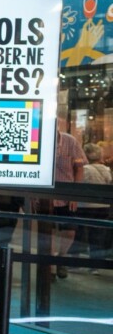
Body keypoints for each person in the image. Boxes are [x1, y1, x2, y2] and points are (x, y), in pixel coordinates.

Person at [51, 116, 86, 278]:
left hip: (66, 194)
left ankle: (61, 258)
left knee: (69, 231)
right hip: (47, 196)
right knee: (48, 231)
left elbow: (79, 168)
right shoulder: (40, 143)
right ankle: (49, 266)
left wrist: (74, 194)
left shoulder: (70, 142)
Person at [80, 143, 111, 272]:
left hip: (85, 205)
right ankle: (95, 265)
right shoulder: (106, 170)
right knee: (98, 234)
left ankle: (75, 261)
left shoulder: (85, 169)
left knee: (81, 233)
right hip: (103, 206)